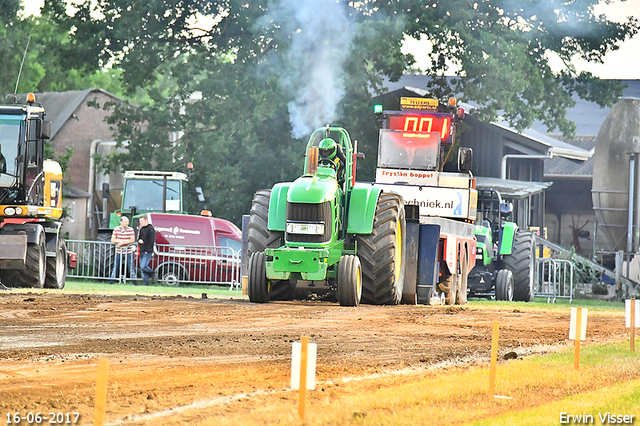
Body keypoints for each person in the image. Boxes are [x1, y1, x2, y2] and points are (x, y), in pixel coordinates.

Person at [110, 216, 137, 284]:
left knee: (131, 268)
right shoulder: (116, 229)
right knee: (115, 267)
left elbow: (132, 239)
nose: (127, 223)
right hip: (118, 252)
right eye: (125, 222)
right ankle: (112, 281)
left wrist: (123, 242)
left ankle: (134, 282)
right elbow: (113, 239)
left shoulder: (130, 229)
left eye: (127, 221)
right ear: (121, 222)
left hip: (128, 252)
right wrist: (119, 242)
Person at [137, 214, 157, 285]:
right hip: (142, 249)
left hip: (147, 251)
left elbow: (151, 241)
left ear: (146, 220)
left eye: (142, 221)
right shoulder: (142, 229)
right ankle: (145, 282)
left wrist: (148, 250)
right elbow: (139, 238)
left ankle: (153, 273)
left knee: (143, 266)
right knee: (142, 268)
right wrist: (139, 241)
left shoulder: (150, 229)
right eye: (140, 221)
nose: (141, 223)